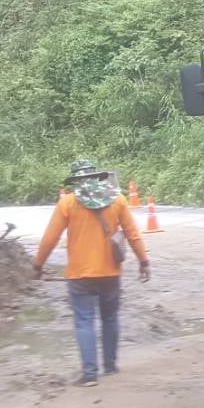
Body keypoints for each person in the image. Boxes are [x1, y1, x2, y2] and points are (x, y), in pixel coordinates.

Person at [31, 161, 152, 387]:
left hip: (80, 275)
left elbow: (50, 238)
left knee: (84, 322)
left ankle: (89, 375)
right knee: (110, 318)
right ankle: (110, 366)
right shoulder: (118, 199)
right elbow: (133, 234)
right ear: (96, 177)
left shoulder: (68, 202)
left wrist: (38, 265)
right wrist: (144, 262)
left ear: (76, 181)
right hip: (110, 273)